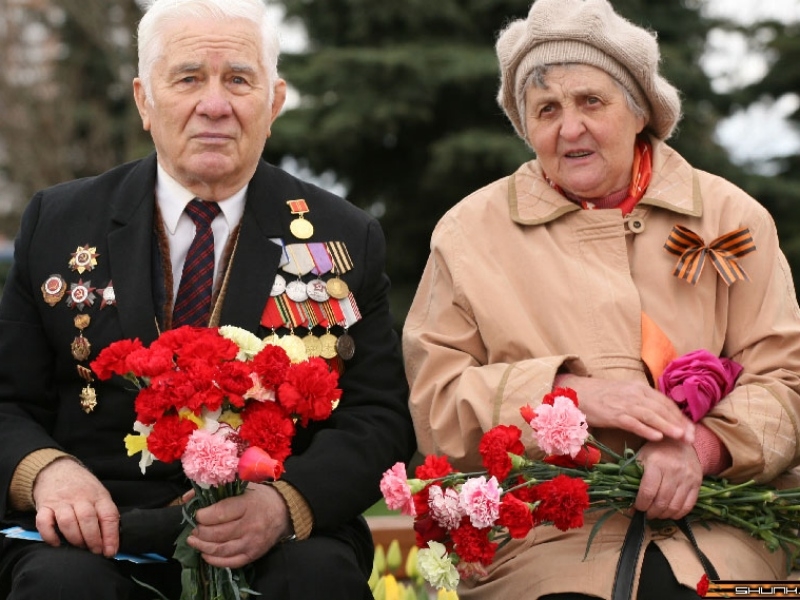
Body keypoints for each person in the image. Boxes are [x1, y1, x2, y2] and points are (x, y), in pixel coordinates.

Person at [0, 0, 416, 598]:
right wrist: (47, 472)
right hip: (100, 529)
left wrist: (287, 502)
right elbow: (8, 398)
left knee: (316, 579)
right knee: (61, 586)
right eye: (189, 78)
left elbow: (378, 414)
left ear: (274, 103)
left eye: (239, 80)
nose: (215, 104)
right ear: (145, 100)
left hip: (275, 532)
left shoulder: (345, 237)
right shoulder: (58, 222)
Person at [403, 0, 800, 598]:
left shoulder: (730, 218)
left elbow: (786, 378)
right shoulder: (468, 234)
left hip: (723, 527)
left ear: (640, 111)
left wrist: (703, 448)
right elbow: (436, 404)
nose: (570, 129)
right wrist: (569, 396)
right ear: (526, 127)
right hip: (545, 539)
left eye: (591, 101)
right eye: (547, 109)